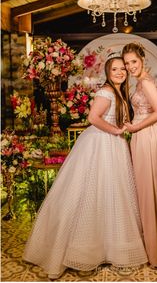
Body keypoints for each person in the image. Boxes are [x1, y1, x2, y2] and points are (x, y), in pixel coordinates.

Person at [23, 56, 148, 279]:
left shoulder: (118, 91)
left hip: (111, 145)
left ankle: (110, 247)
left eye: (123, 69)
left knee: (111, 194)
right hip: (101, 144)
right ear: (108, 73)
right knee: (91, 192)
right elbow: (92, 117)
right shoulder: (106, 92)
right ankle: (82, 252)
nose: (120, 72)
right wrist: (116, 131)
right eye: (115, 69)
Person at [122, 43, 157, 268]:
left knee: (148, 190)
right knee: (154, 190)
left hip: (147, 137)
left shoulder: (145, 81)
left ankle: (154, 251)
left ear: (142, 59)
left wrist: (135, 128)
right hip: (151, 135)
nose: (130, 67)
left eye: (133, 62)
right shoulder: (143, 80)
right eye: (127, 63)